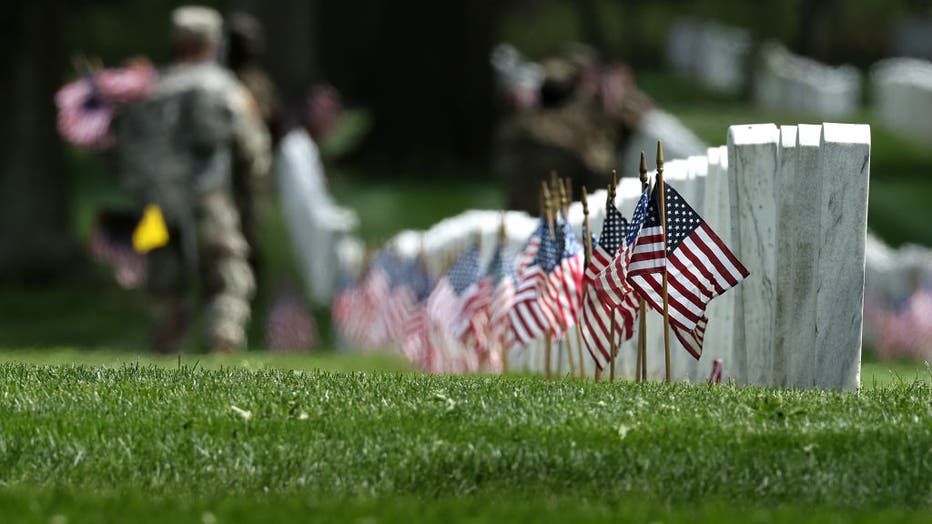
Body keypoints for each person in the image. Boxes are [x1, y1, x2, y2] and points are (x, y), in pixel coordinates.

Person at [113, 6, 271, 353]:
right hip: (208, 199)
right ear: (213, 42)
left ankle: (167, 345)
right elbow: (253, 148)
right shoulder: (225, 87)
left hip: (156, 203)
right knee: (227, 274)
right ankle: (222, 342)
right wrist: (254, 191)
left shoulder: (152, 90)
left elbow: (126, 149)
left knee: (164, 281)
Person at [276, 85, 360, 307]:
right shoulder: (295, 148)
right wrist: (342, 220)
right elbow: (308, 209)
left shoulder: (305, 147)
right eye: (326, 112)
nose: (333, 119)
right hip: (313, 241)